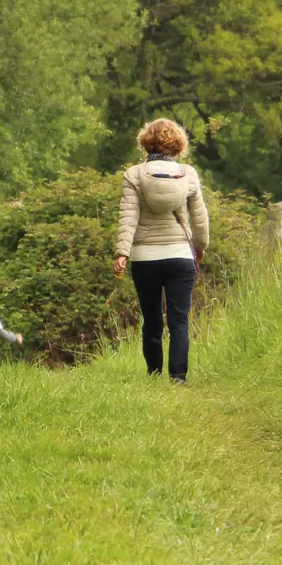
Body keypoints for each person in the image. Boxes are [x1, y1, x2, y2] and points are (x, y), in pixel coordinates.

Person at [111, 118, 208, 382]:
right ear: (178, 144)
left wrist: (122, 252)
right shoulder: (188, 174)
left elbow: (128, 217)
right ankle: (178, 377)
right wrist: (199, 247)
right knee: (179, 320)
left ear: (146, 142)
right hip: (180, 256)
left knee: (151, 319)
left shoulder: (134, 175)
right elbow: (199, 217)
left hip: (145, 258)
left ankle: (153, 375)